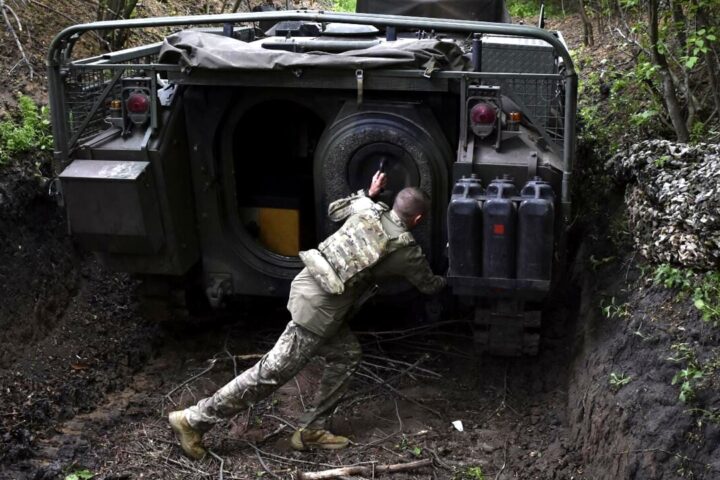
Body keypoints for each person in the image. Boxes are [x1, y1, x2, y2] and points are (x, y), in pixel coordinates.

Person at [169, 171, 446, 460]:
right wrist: (449, 277)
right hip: (319, 313)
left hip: (309, 288)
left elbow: (334, 209)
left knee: (347, 355)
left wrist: (369, 193)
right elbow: (428, 284)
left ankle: (312, 429)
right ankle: (193, 420)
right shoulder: (405, 250)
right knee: (271, 373)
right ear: (417, 220)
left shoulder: (368, 207)